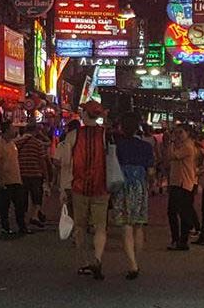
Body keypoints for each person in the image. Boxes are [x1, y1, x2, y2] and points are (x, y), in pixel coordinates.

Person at [70, 101, 110, 280]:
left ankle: (85, 261)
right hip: (101, 187)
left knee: (80, 227)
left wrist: (63, 188)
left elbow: (66, 163)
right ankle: (97, 258)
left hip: (79, 187)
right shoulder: (105, 135)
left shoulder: (74, 135)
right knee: (100, 226)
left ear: (85, 114)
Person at [114, 113, 154, 280]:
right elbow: (151, 171)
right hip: (140, 185)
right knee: (139, 225)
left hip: (123, 186)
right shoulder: (146, 147)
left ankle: (132, 265)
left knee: (126, 226)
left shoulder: (118, 146)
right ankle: (136, 260)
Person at [0, 122, 29, 235]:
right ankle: (5, 228)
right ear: (7, 130)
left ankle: (22, 226)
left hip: (15, 179)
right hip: (6, 180)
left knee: (20, 205)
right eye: (13, 128)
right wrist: (1, 178)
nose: (15, 130)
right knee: (4, 206)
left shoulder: (12, 143)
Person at [166, 125, 197, 251]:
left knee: (177, 212)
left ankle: (180, 240)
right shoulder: (184, 146)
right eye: (176, 132)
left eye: (181, 132)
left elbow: (171, 156)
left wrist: (171, 142)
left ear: (187, 133)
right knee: (178, 212)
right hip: (178, 183)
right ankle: (180, 239)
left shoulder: (187, 147)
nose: (178, 135)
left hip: (182, 184)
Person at [16, 123, 51, 228]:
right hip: (35, 174)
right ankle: (34, 216)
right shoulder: (38, 143)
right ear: (36, 131)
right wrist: (47, 176)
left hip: (21, 174)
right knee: (37, 197)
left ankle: (24, 219)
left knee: (22, 198)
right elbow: (42, 161)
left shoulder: (17, 142)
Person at [55, 120, 81, 217]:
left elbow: (58, 161)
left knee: (68, 207)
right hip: (81, 180)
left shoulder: (64, 143)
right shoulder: (85, 143)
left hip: (67, 180)